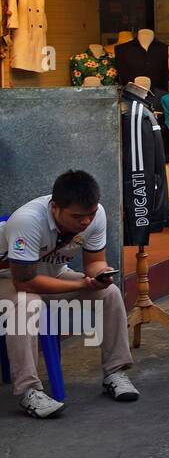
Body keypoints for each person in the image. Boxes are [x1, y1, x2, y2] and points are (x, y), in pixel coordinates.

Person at [0, 171, 138, 418]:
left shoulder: (97, 215)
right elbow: (25, 282)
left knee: (110, 293)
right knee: (27, 303)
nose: (86, 222)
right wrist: (82, 285)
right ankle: (29, 391)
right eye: (77, 217)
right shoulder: (27, 221)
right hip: (8, 279)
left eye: (90, 214)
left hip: (54, 274)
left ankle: (115, 372)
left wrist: (100, 275)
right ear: (55, 207)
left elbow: (94, 262)